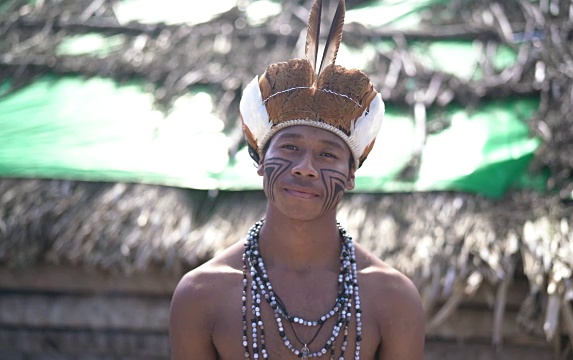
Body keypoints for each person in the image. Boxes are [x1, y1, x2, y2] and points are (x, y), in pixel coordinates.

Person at [168, 0, 425, 358]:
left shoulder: (391, 298)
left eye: (327, 154)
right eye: (289, 147)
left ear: (351, 175)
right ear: (260, 160)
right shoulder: (202, 294)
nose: (305, 167)